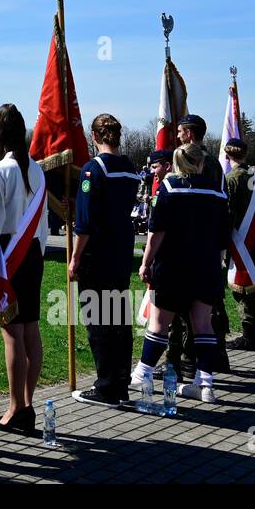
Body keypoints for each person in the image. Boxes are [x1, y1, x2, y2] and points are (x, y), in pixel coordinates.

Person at [133, 141, 230, 403]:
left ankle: (143, 372)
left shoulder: (169, 187)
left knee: (159, 323)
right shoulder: (218, 192)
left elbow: (157, 232)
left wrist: (146, 262)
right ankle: (205, 383)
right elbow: (223, 237)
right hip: (207, 265)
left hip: (173, 266)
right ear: (200, 163)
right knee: (203, 325)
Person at [69, 115, 142, 408]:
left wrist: (75, 258)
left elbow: (85, 223)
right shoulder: (130, 169)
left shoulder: (93, 170)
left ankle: (106, 387)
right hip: (121, 250)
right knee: (119, 318)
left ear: (94, 136)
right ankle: (120, 381)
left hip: (96, 253)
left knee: (98, 320)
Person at [0, 103, 49, 429]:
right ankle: (27, 401)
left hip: (7, 255)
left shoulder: (1, 171)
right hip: (34, 254)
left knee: (11, 332)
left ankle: (15, 407)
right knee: (30, 328)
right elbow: (42, 221)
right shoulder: (37, 170)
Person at [170, 114, 230, 375]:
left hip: (191, 242)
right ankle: (217, 355)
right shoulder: (216, 163)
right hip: (211, 241)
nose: (178, 137)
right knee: (212, 303)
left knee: (189, 308)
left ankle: (187, 359)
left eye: (181, 132)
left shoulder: (193, 161)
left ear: (191, 134)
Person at [224, 138, 255, 352]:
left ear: (227, 156)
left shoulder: (231, 179)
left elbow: (227, 214)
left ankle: (250, 336)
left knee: (244, 291)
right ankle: (254, 334)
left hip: (240, 242)